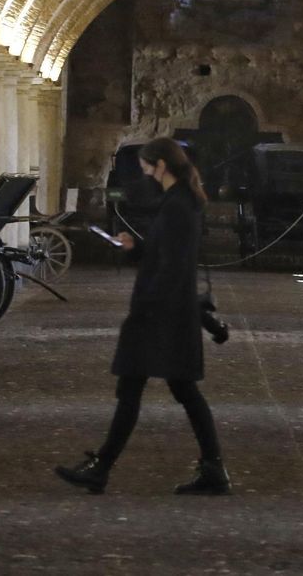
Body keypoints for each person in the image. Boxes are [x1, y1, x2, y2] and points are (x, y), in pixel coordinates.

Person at [55, 137, 230, 495]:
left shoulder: (178, 205)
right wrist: (136, 248)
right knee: (168, 390)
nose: (145, 174)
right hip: (168, 312)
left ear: (161, 165)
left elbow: (174, 266)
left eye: (147, 167)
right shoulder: (179, 201)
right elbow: (165, 254)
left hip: (161, 313)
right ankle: (210, 469)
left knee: (145, 390)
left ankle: (103, 468)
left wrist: (147, 307)